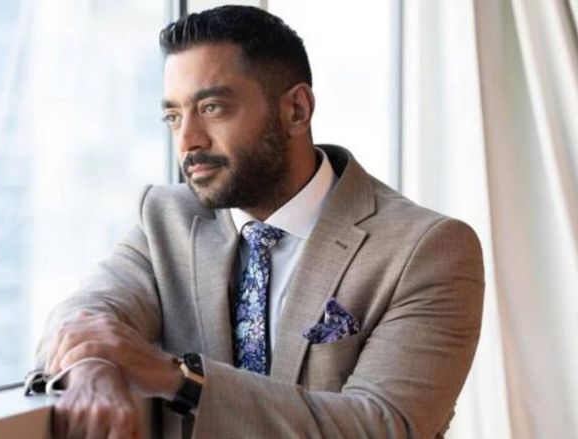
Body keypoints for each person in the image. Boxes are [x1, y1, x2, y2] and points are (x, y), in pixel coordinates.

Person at [32, 5, 484, 438]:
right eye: (173, 116)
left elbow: (381, 426)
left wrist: (177, 378)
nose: (188, 140)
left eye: (212, 108)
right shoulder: (166, 219)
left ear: (296, 110)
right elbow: (83, 315)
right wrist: (92, 369)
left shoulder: (426, 249)